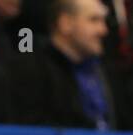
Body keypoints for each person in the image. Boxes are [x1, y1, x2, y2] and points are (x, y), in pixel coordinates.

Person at [10, 0, 117, 128]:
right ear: (65, 24)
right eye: (93, 20)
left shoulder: (107, 74)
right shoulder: (32, 73)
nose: (103, 30)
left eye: (103, 21)